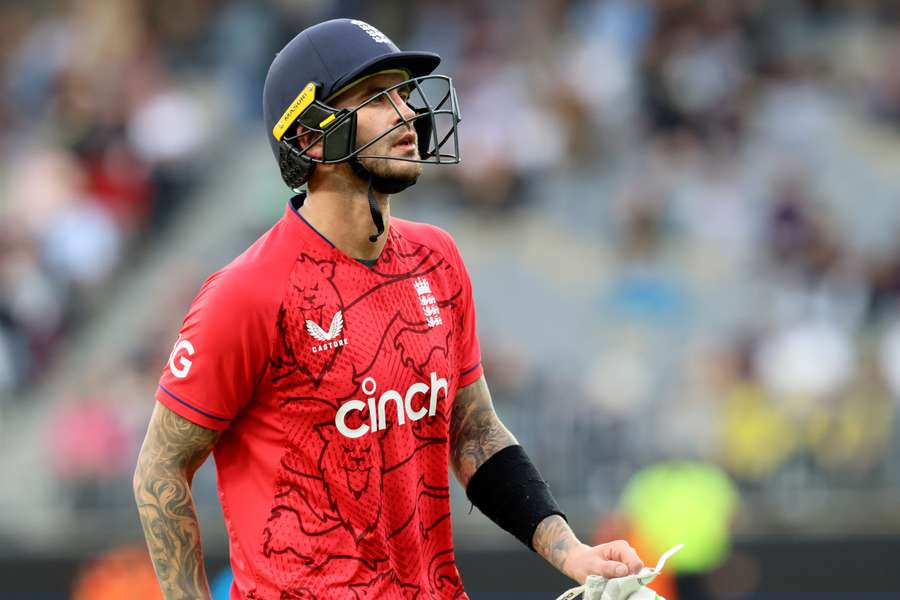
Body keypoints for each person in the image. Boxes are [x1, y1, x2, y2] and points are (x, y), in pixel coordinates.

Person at [133, 18, 646, 599]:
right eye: (378, 98)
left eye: (404, 94)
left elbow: (474, 432)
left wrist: (572, 552)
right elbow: (159, 469)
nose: (408, 115)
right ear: (310, 137)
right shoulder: (246, 292)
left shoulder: (438, 258)